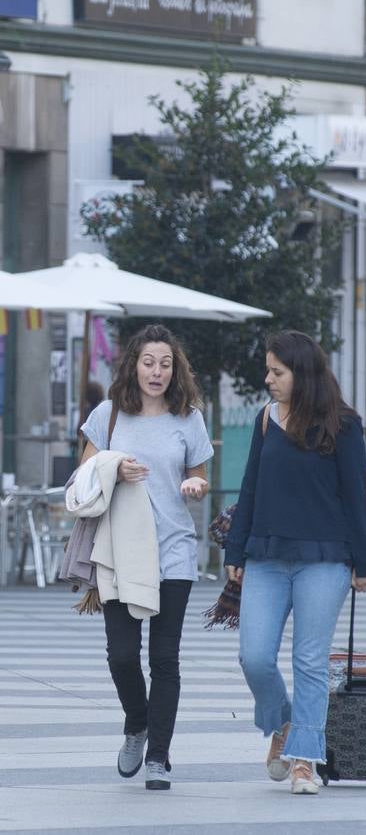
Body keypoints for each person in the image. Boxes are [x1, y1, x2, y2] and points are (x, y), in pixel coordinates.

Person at [224, 330, 366, 796]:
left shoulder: (344, 425)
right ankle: (285, 724)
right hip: (266, 557)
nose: (268, 379)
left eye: (277, 371)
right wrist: (235, 549)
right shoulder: (266, 419)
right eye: (268, 370)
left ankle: (305, 762)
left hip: (325, 559)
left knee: (309, 660)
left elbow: (354, 496)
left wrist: (364, 564)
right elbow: (249, 486)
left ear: (302, 373)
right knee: (253, 656)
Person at [79, 323, 213, 790]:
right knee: (121, 656)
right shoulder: (108, 415)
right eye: (149, 362)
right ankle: (137, 722)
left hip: (174, 550)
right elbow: (83, 475)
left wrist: (196, 486)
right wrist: (114, 465)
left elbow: (197, 477)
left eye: (165, 364)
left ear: (175, 370)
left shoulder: (188, 417)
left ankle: (159, 755)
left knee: (165, 659)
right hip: (120, 552)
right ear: (133, 364)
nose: (157, 372)